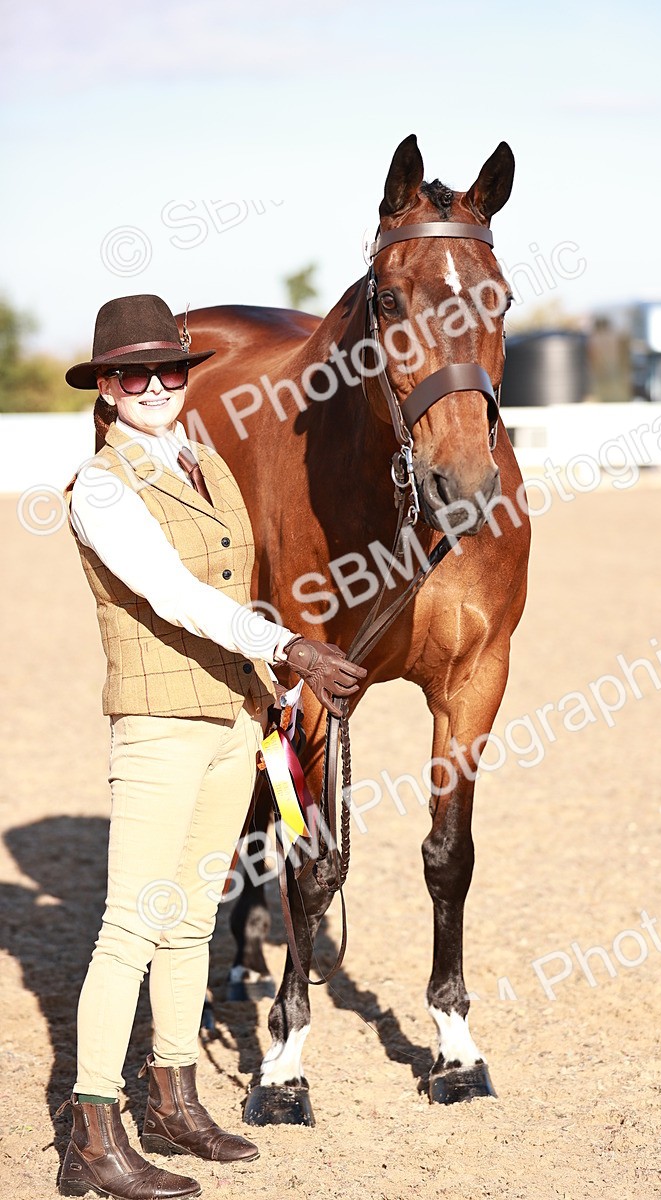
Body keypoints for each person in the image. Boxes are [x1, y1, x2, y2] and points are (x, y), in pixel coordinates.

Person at [57, 294, 366, 1199]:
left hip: (234, 717)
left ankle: (174, 1095)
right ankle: (92, 1131)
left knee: (193, 919)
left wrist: (271, 691)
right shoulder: (103, 488)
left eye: (168, 371)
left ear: (187, 379)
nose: (153, 386)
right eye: (131, 374)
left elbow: (244, 585)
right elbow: (174, 596)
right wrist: (294, 651)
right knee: (130, 927)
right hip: (159, 727)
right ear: (106, 390)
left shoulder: (209, 467)